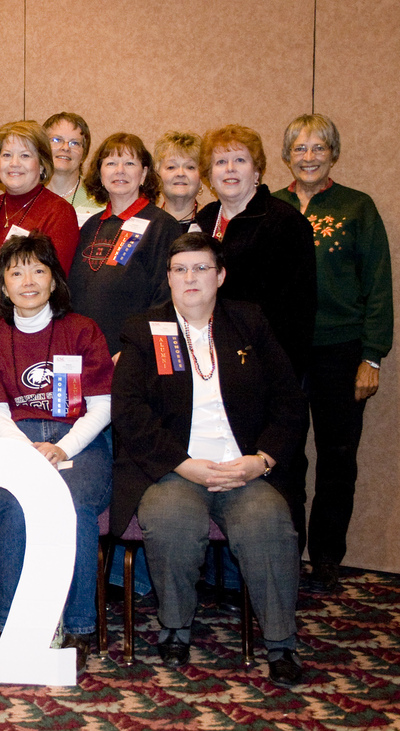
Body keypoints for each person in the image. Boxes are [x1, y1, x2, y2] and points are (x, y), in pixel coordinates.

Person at [111, 232, 308, 687]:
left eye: (200, 268)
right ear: (169, 279)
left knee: (270, 525)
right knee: (174, 523)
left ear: (220, 275)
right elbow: (130, 411)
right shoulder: (144, 329)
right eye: (180, 270)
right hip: (175, 470)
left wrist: (261, 461)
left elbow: (288, 402)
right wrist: (182, 463)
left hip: (243, 469)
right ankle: (175, 628)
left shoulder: (249, 323)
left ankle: (281, 643)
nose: (190, 278)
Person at [273, 114, 394, 593]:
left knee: (337, 456)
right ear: (286, 156)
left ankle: (326, 557)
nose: (308, 157)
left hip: (341, 351)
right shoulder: (271, 207)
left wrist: (373, 356)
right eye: (299, 149)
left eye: (318, 148)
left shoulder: (357, 208)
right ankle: (287, 550)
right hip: (283, 353)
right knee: (284, 458)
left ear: (333, 154)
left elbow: (378, 286)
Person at [0, 233, 113, 674]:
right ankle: (9, 623)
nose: (28, 280)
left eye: (38, 269)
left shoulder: (83, 330)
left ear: (55, 279)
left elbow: (103, 407)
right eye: (15, 271)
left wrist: (61, 448)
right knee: (16, 505)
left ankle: (78, 623)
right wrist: (25, 453)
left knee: (73, 506)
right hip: (13, 440)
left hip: (79, 438)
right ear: (3, 284)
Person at [195, 125, 316, 377]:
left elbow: (298, 312)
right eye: (220, 162)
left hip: (264, 362)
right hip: (209, 357)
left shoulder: (284, 222)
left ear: (257, 170)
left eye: (240, 160)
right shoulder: (204, 219)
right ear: (209, 174)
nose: (230, 169)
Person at [67, 133, 181, 361]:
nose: (120, 170)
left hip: (133, 356)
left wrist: (134, 349)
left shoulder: (162, 226)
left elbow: (167, 301)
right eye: (111, 163)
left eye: (130, 163)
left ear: (144, 173)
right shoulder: (90, 226)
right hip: (84, 355)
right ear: (100, 173)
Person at [0, 120, 79, 329]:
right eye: (7, 155)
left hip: (29, 332)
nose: (14, 163)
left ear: (42, 164)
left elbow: (51, 285)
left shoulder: (58, 212)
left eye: (25, 155)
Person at [43, 112, 103, 224]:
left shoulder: (100, 200)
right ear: (42, 147)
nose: (65, 148)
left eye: (74, 143)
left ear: (83, 154)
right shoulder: (28, 197)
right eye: (56, 140)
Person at [155, 131, 203, 233]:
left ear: (201, 176)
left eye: (190, 167)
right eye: (171, 167)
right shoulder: (148, 223)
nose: (180, 173)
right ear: (158, 175)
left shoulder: (213, 223)